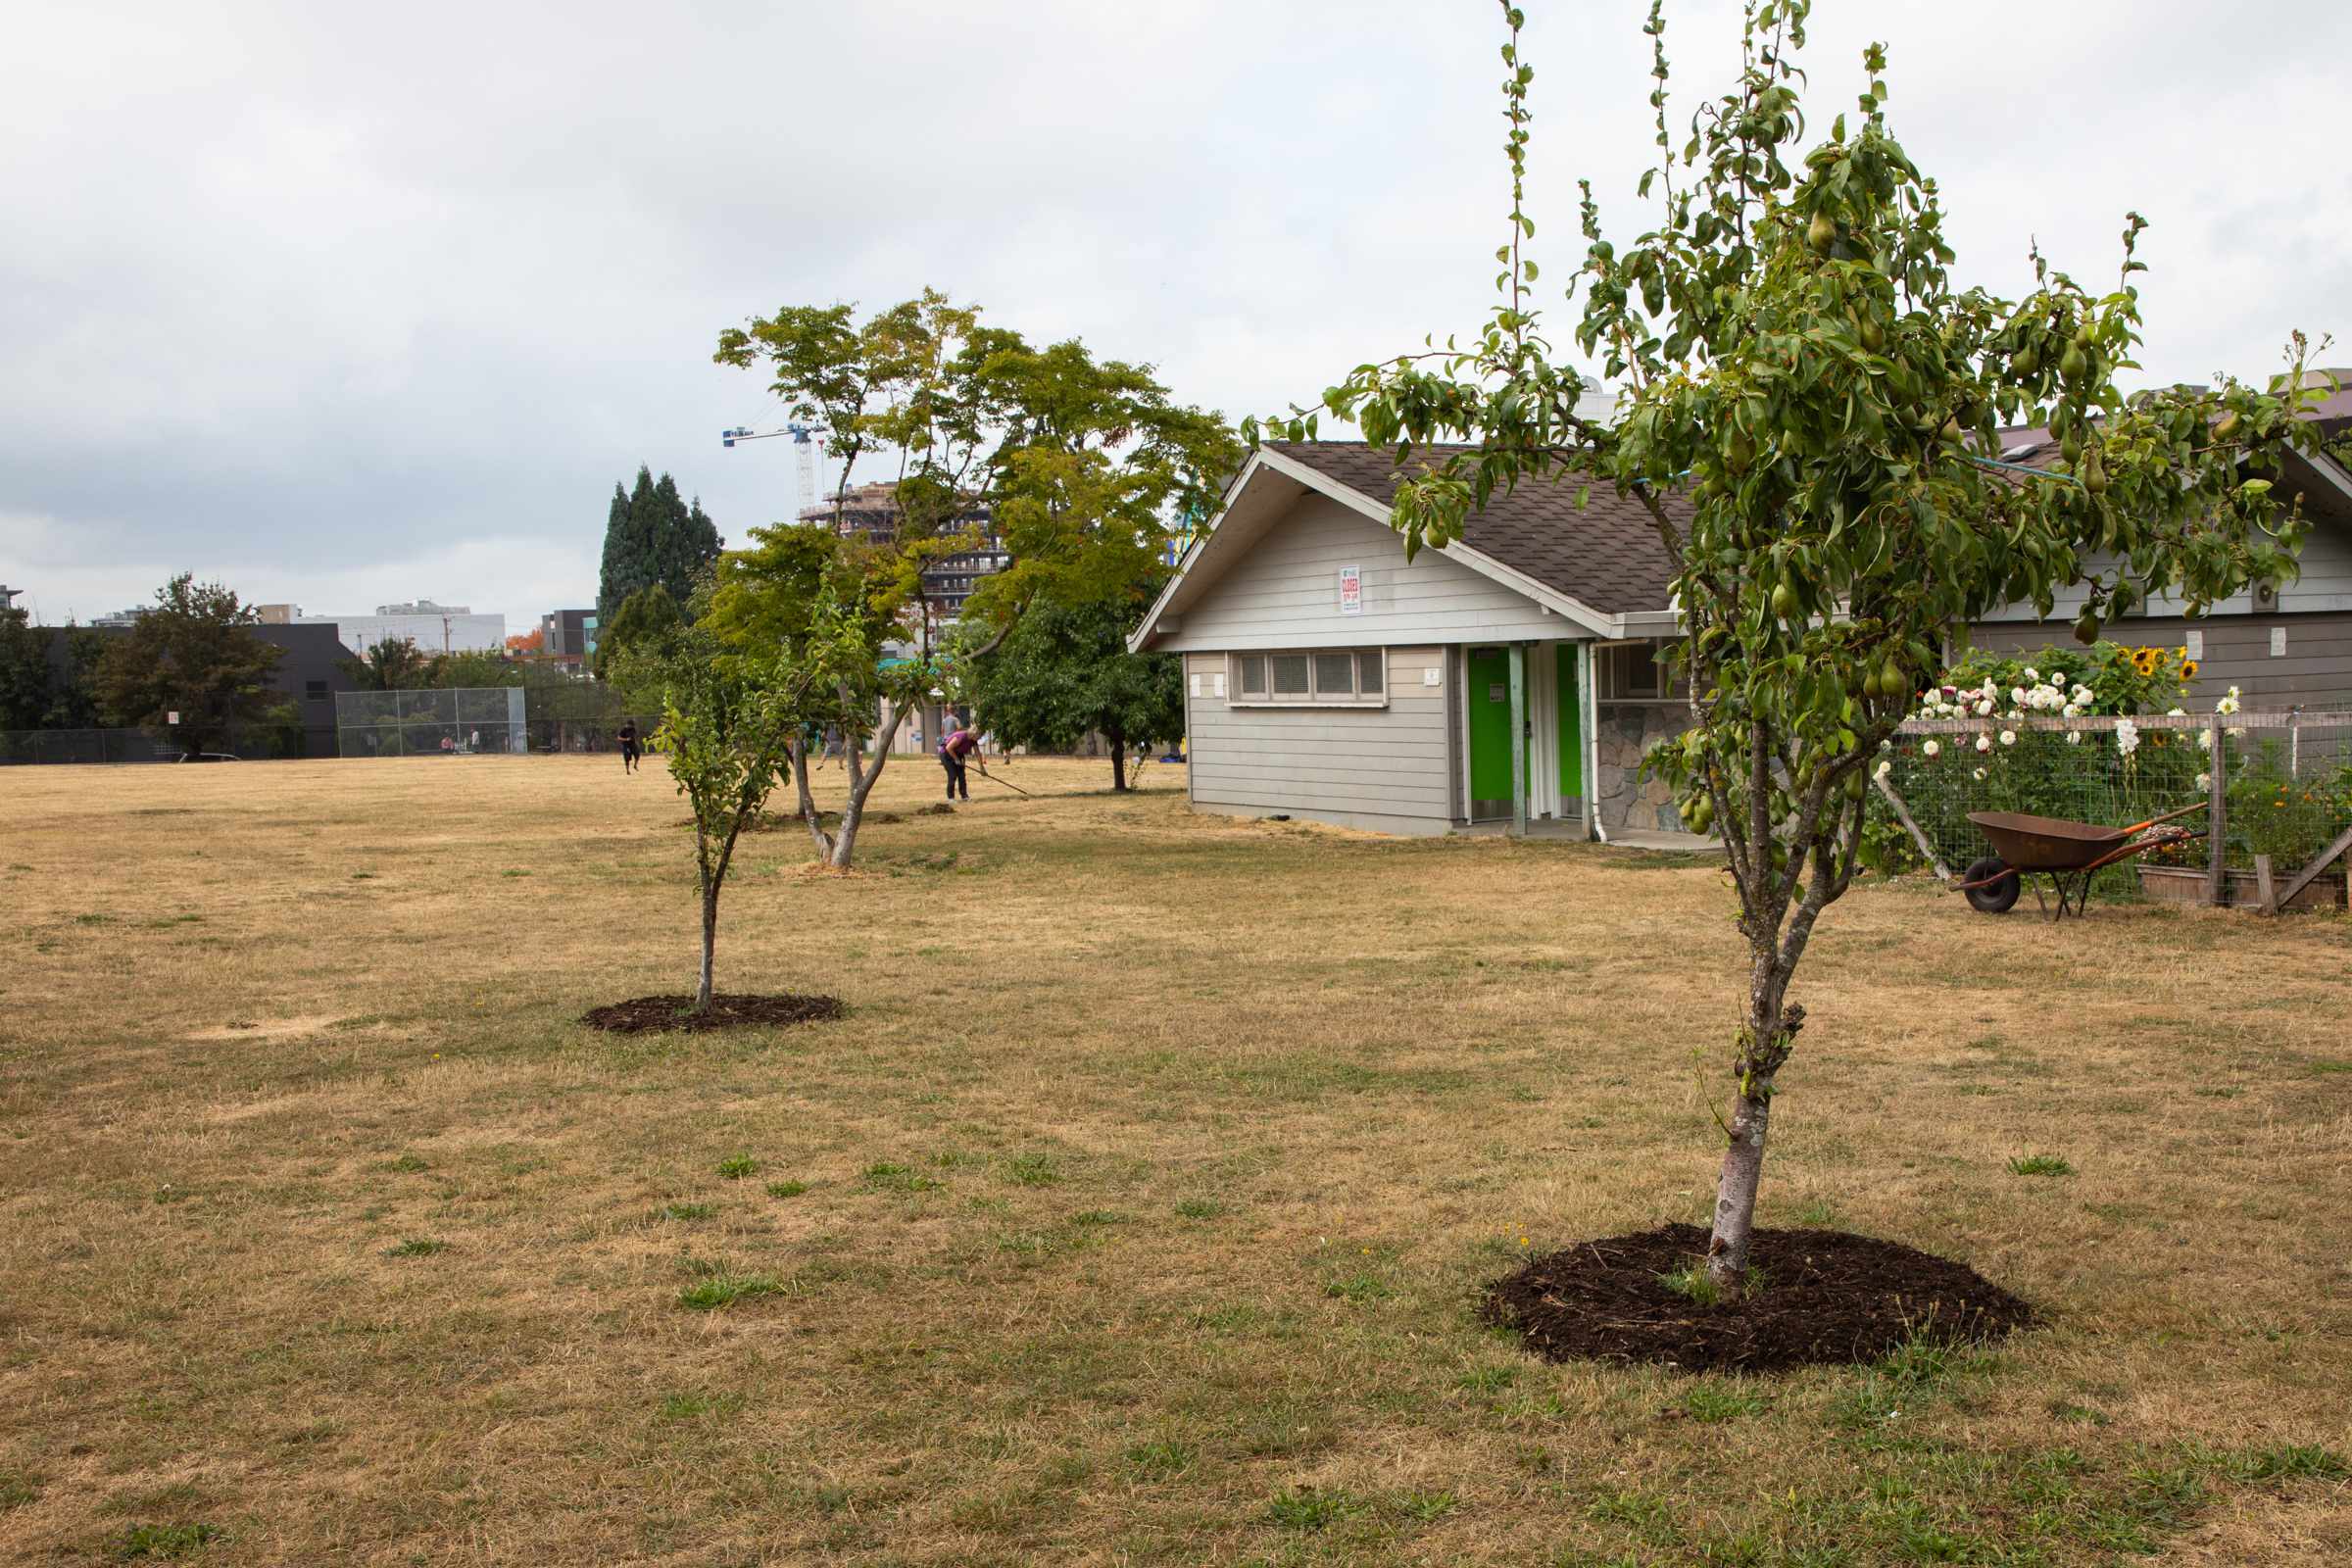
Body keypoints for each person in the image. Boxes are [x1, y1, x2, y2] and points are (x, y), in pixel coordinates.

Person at [938, 722, 981, 802]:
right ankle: (950, 798)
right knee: (953, 775)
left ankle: (964, 796)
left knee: (961, 775)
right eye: (979, 736)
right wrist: (956, 759)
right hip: (946, 754)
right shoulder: (962, 736)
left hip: (958, 754)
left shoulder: (973, 740)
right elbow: (948, 748)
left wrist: (982, 768)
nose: (980, 738)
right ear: (974, 734)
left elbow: (978, 754)